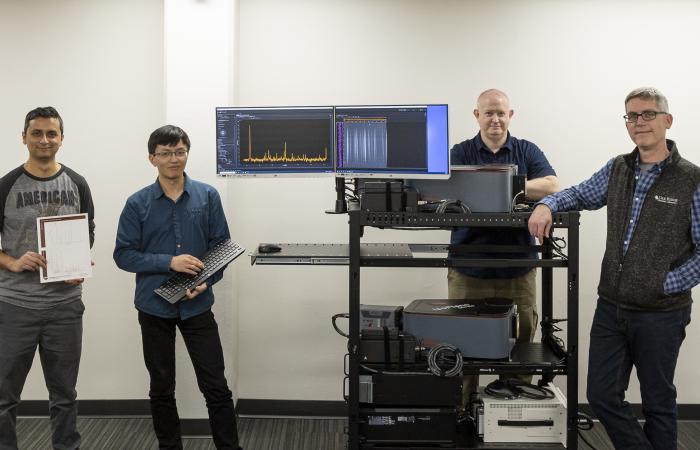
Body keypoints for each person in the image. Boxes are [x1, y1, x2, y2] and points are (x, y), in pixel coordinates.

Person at [528, 87, 700, 450]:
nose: (640, 123)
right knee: (602, 395)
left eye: (648, 114)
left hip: (661, 313)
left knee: (658, 403)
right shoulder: (618, 168)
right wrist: (547, 204)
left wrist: (665, 283)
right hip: (612, 307)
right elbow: (577, 194)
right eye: (632, 116)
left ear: (667, 121)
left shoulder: (691, 180)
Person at [113, 125, 242, 450]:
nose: (174, 158)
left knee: (216, 386)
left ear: (187, 153)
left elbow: (221, 247)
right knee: (161, 387)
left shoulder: (207, 196)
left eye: (180, 151)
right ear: (152, 158)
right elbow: (123, 255)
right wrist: (169, 262)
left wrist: (206, 281)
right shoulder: (137, 203)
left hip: (197, 306)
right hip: (153, 307)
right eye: (166, 153)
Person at [449, 89, 559, 400]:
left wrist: (502, 185)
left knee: (522, 341)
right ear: (477, 115)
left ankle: (515, 405)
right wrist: (523, 190)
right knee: (463, 343)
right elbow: (448, 188)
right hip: (469, 267)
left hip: (519, 266)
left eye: (501, 113)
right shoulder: (460, 152)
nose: (495, 119)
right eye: (488, 113)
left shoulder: (526, 150)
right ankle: (462, 410)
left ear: (510, 115)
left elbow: (551, 184)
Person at [0, 106, 95, 450]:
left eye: (51, 133)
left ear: (61, 139)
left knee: (64, 395)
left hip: (64, 307)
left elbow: (88, 231)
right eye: (36, 133)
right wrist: (10, 262)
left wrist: (78, 264)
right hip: (14, 307)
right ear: (23, 137)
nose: (44, 139)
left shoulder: (77, 183)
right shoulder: (6, 185)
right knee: (4, 398)